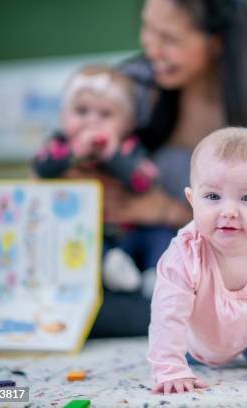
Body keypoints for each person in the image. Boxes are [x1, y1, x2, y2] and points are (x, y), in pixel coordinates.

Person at [78, 0, 247, 337]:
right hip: (135, 264)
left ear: (216, 42)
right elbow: (60, 152)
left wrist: (169, 211)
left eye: (169, 38)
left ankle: (196, 315)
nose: (150, 46)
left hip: (228, 272)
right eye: (147, 28)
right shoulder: (129, 93)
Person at [148, 127, 247, 394]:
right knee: (180, 354)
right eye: (212, 197)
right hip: (194, 344)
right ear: (192, 200)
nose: (229, 211)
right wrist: (170, 369)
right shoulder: (185, 253)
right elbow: (168, 315)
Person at [32, 65, 162, 293]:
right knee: (74, 241)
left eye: (105, 114)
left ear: (128, 123)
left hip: (129, 231)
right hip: (86, 234)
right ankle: (111, 267)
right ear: (63, 115)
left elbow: (142, 183)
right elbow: (42, 167)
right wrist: (74, 152)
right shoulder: (60, 145)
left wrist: (113, 155)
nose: (92, 121)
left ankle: (157, 274)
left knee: (159, 235)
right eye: (81, 111)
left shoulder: (129, 147)